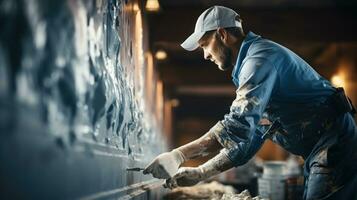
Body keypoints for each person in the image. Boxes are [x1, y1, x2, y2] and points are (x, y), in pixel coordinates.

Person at [143, 5, 357, 199]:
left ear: (222, 34)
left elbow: (237, 125)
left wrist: (179, 155)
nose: (206, 55)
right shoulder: (251, 66)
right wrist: (201, 172)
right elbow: (249, 138)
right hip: (320, 149)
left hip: (334, 144)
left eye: (204, 45)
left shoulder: (259, 60)